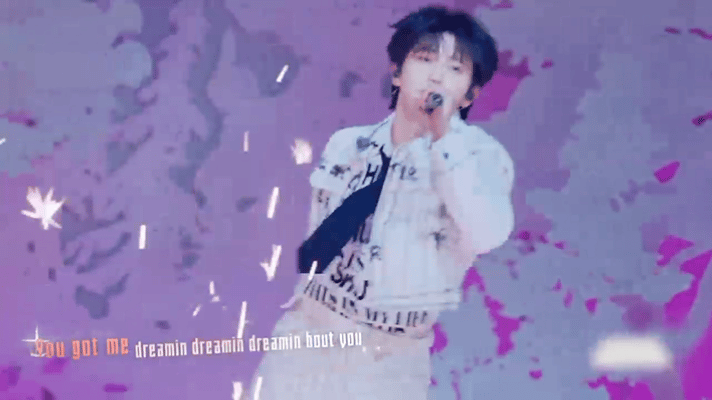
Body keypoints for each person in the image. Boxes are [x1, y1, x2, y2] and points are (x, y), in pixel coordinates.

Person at [249, 5, 514, 399]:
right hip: (307, 336)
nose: (436, 76)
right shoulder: (347, 144)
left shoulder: (482, 159)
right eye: (425, 59)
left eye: (455, 68)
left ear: (470, 93)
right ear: (397, 71)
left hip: (389, 358)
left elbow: (488, 233)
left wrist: (443, 139)